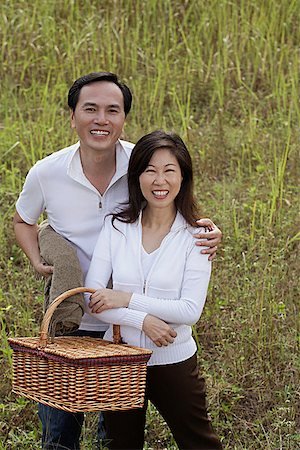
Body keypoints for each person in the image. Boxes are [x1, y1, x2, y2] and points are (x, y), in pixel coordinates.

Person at [13, 72, 222, 450]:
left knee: (152, 437)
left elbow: (173, 196)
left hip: (130, 337)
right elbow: (23, 220)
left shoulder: (140, 161)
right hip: (80, 314)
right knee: (62, 430)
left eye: (113, 110)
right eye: (90, 109)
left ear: (124, 117)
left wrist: (204, 233)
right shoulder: (48, 173)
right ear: (72, 116)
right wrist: (39, 260)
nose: (101, 119)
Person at [84, 130, 223, 450]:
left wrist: (126, 298)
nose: (160, 180)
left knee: (200, 443)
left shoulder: (197, 235)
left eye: (169, 170)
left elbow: (190, 310)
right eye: (150, 170)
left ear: (183, 176)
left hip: (174, 360)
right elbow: (92, 299)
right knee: (122, 444)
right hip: (119, 360)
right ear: (137, 176)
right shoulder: (116, 226)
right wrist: (141, 320)